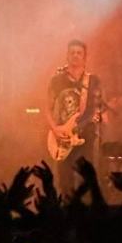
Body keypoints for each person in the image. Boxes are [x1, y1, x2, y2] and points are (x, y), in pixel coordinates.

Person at [46, 40, 104, 195]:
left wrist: (81, 125)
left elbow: (95, 108)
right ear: (67, 56)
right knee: (64, 180)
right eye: (72, 53)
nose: (75, 56)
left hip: (85, 136)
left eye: (79, 53)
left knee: (85, 178)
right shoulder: (57, 80)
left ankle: (84, 213)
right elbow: (47, 108)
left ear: (85, 57)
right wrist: (56, 129)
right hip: (62, 137)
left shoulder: (92, 81)